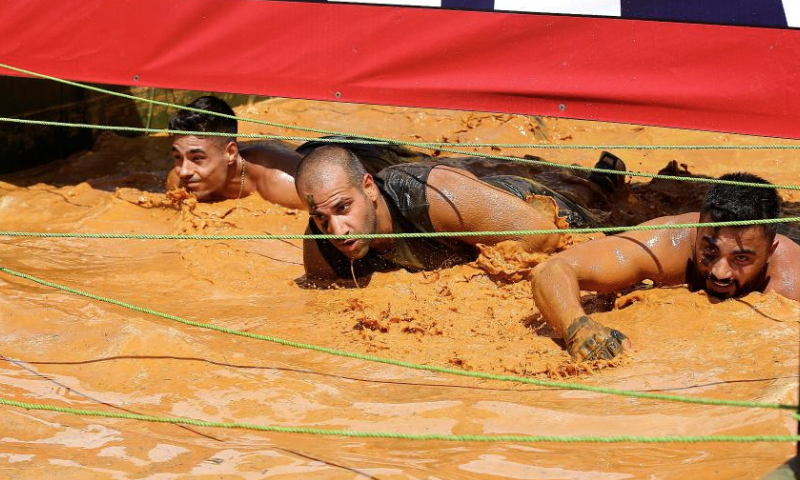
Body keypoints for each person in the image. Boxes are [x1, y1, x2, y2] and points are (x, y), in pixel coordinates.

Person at [530, 172, 800, 361]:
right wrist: (577, 328)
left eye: (741, 259)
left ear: (770, 252)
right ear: (698, 230)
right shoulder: (667, 242)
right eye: (710, 250)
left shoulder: (791, 282)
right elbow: (551, 269)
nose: (720, 272)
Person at [295, 143, 613, 283]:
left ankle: (606, 183)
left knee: (613, 226)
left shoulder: (433, 195)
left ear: (368, 187)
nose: (337, 230)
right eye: (322, 218)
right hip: (480, 216)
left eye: (343, 208)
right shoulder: (322, 243)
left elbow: (542, 235)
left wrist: (460, 284)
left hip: (530, 209)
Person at [166, 96, 305, 208]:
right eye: (178, 157)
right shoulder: (177, 183)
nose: (184, 172)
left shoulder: (285, 187)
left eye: (197, 158)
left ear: (230, 153)